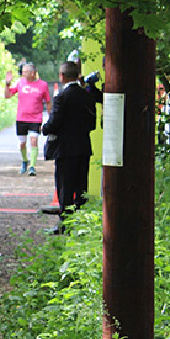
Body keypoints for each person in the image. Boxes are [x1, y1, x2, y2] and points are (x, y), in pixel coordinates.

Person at [42, 61, 96, 235]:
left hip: (65, 149)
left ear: (62, 76)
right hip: (83, 147)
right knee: (81, 187)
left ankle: (65, 225)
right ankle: (81, 224)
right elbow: (92, 124)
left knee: (65, 187)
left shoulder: (61, 97)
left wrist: (45, 128)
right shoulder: (87, 96)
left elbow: (54, 123)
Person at [3, 62, 52, 176]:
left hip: (36, 118)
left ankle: (32, 166)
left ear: (33, 73)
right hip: (21, 118)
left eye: (25, 72)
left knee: (34, 141)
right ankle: (24, 160)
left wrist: (50, 117)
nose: (23, 74)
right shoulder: (20, 83)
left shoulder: (43, 85)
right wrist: (7, 84)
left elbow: (48, 102)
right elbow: (8, 95)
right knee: (22, 144)